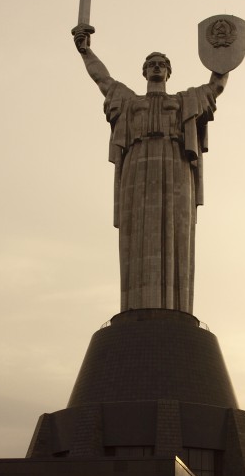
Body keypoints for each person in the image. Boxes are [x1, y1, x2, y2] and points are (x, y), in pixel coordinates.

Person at [72, 24, 228, 314]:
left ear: (169, 72)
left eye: (161, 64)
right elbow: (101, 79)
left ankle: (176, 309)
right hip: (138, 167)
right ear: (144, 72)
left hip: (175, 164)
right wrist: (85, 51)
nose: (156, 67)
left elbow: (215, 87)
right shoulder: (130, 101)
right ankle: (136, 308)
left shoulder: (183, 101)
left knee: (176, 229)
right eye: (151, 64)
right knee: (137, 232)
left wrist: (223, 60)